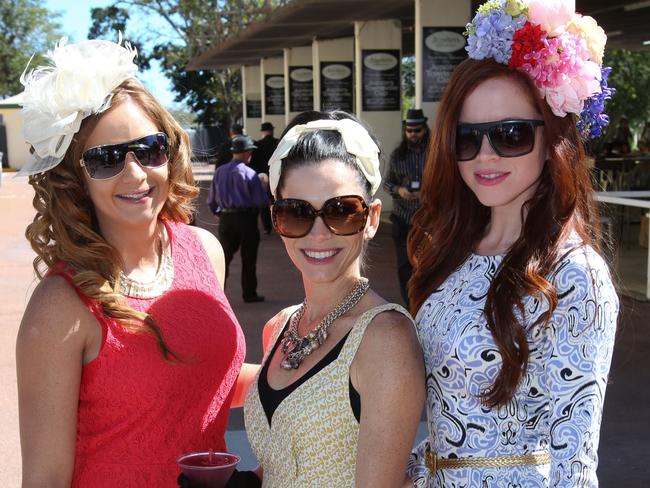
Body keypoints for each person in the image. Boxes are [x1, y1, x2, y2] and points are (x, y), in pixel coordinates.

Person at [15, 38, 248, 487]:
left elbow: (202, 376)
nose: (136, 174)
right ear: (75, 177)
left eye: (149, 149)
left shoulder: (205, 249)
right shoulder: (60, 307)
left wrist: (309, 362)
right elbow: (44, 477)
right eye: (105, 160)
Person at [405, 2, 618, 487]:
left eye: (511, 135)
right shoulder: (455, 250)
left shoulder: (575, 274)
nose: (485, 155)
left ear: (552, 140)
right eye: (468, 138)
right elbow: (452, 419)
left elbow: (574, 461)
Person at [243, 110, 425, 487]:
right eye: (297, 213)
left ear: (372, 218)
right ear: (277, 221)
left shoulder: (384, 339)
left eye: (341, 211)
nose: (319, 233)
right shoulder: (281, 327)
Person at [208, 134, 268, 302]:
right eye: (250, 152)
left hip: (226, 218)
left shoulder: (220, 172)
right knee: (248, 258)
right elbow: (261, 201)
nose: (251, 155)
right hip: (246, 219)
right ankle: (249, 293)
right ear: (246, 152)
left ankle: (217, 293)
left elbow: (212, 200)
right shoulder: (250, 174)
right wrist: (263, 187)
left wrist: (220, 214)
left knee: (224, 258)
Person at [383, 108, 430, 304]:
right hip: (403, 218)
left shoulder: (435, 152)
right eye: (409, 131)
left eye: (417, 131)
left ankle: (426, 302)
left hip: (429, 219)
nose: (413, 135)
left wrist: (428, 191)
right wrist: (400, 190)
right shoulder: (397, 155)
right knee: (405, 266)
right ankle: (409, 305)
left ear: (425, 129)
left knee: (428, 264)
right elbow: (386, 183)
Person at [250, 122, 279, 234]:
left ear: (262, 132)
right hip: (276, 176)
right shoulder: (278, 143)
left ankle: (267, 228)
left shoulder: (258, 144)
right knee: (277, 202)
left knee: (263, 204)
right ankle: (279, 225)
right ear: (272, 131)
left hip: (262, 177)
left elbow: (253, 163)